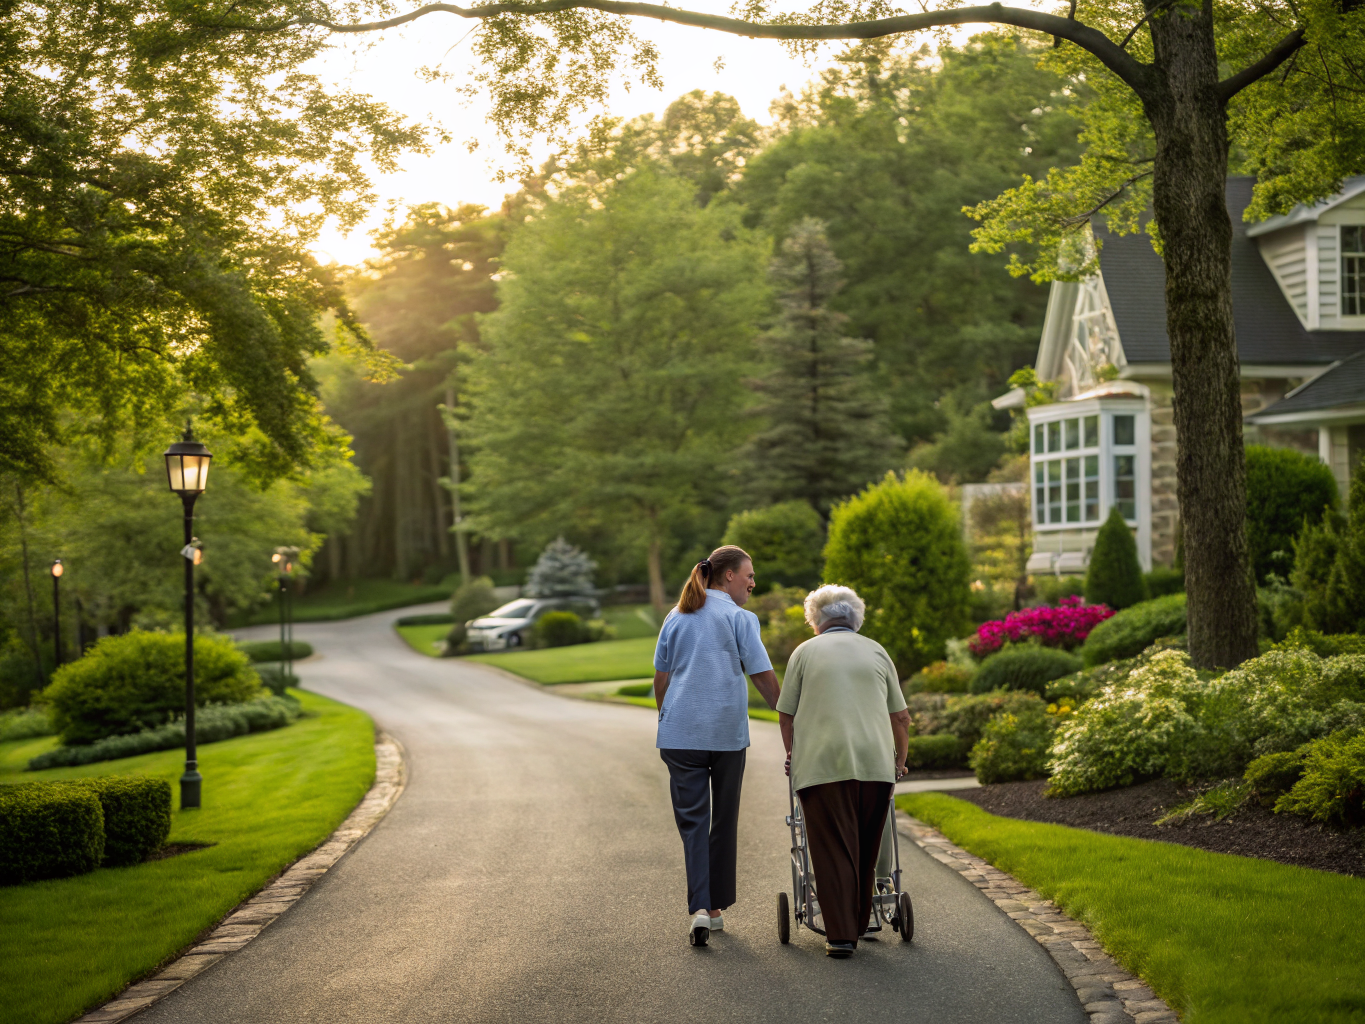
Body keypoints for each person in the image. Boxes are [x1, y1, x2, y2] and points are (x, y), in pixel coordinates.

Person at [652, 544, 781, 948]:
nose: (753, 582)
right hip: (725, 737)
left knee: (694, 824)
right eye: (749, 575)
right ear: (729, 576)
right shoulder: (740, 618)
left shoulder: (676, 615)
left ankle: (703, 909)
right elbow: (762, 676)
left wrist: (667, 717)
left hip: (679, 736)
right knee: (723, 821)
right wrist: (790, 714)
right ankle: (712, 907)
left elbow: (661, 678)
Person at [775, 584, 911, 958]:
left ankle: (840, 936)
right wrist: (899, 762)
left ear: (815, 619)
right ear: (855, 618)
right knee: (866, 849)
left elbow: (786, 716)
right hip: (876, 766)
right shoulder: (876, 650)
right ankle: (861, 920)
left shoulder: (804, 652)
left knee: (832, 847)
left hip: (821, 764)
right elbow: (900, 717)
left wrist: (792, 753)